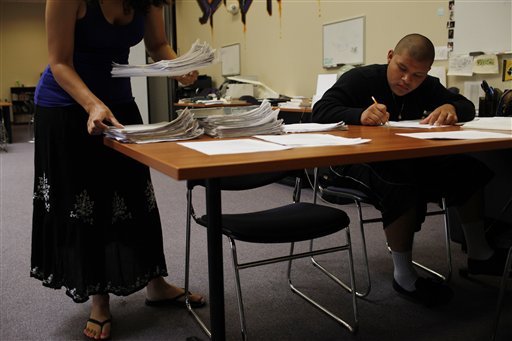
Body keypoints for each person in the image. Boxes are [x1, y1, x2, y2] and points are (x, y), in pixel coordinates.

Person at [30, 1, 205, 340]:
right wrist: (92, 104)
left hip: (120, 105)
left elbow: (157, 45)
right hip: (68, 104)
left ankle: (156, 283)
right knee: (87, 201)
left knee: (136, 194)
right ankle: (99, 300)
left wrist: (178, 65)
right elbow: (60, 63)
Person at [312, 33, 508, 307]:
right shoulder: (361, 79)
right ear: (390, 56)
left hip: (404, 157)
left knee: (466, 169)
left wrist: (450, 106)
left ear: (427, 72)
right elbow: (319, 111)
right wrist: (359, 115)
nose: (407, 80)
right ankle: (404, 275)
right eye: (402, 69)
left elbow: (465, 107)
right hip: (349, 162)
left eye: (417, 75)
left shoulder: (427, 85)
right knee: (401, 183)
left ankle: (479, 252)